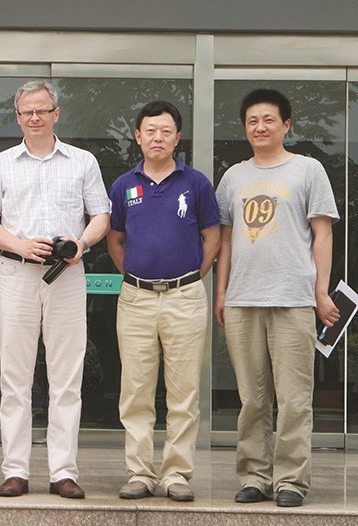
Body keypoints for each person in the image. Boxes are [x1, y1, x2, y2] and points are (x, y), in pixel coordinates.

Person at [0, 80, 111, 499]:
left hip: (67, 275)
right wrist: (19, 245)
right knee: (14, 377)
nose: (35, 117)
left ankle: (63, 471)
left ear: (56, 114)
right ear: (17, 117)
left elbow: (101, 215)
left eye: (42, 110)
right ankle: (15, 470)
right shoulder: (0, 164)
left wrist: (81, 244)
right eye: (27, 111)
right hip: (16, 274)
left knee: (66, 377)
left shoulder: (83, 161)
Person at [215, 89, 339, 508]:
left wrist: (320, 290)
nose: (260, 127)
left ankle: (291, 481)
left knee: (293, 398)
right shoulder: (233, 177)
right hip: (242, 299)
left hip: (293, 297)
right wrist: (221, 292)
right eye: (252, 120)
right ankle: (254, 476)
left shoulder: (308, 170)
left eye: (269, 119)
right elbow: (225, 240)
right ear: (244, 127)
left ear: (286, 125)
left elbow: (323, 233)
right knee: (252, 398)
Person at [107, 100, 220, 502]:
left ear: (177, 137)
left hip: (185, 297)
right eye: (150, 131)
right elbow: (115, 239)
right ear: (138, 136)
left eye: (166, 131)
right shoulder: (124, 185)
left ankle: (176, 473)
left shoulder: (196, 183)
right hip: (136, 298)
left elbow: (212, 236)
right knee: (135, 389)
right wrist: (132, 274)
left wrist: (192, 276)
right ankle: (139, 472)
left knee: (183, 391)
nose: (158, 137)